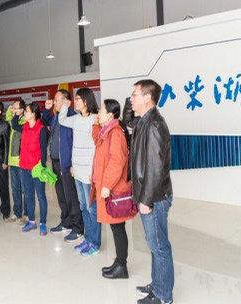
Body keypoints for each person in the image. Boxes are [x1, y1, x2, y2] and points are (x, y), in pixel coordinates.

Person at [129, 80, 174, 304]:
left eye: (135, 95)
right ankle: (158, 285)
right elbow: (128, 119)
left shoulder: (154, 125)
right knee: (154, 244)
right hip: (149, 195)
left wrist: (146, 200)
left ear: (147, 98)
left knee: (159, 246)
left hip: (154, 197)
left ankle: (164, 295)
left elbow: (155, 168)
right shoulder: (144, 121)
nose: (131, 98)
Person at [92, 99, 134, 278]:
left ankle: (122, 267)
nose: (98, 113)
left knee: (118, 229)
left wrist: (107, 185)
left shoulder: (115, 133)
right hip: (108, 186)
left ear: (110, 115)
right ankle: (118, 262)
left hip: (114, 188)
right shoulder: (106, 131)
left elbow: (117, 162)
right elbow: (97, 141)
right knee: (116, 228)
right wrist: (96, 124)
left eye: (101, 111)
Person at [58, 88, 101, 256]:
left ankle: (95, 243)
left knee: (91, 209)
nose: (75, 102)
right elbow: (62, 120)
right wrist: (64, 106)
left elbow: (97, 148)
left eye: (77, 99)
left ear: (86, 101)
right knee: (83, 206)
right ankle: (88, 239)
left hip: (89, 172)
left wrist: (93, 170)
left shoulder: (95, 119)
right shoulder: (75, 119)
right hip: (77, 170)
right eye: (74, 99)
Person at [43, 90, 84, 243]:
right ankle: (66, 221)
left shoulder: (72, 117)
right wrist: (47, 110)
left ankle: (78, 227)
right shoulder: (56, 117)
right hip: (55, 162)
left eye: (57, 99)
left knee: (71, 196)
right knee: (61, 195)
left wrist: (72, 163)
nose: (54, 102)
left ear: (66, 101)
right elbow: (46, 120)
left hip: (67, 164)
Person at [11, 103, 49, 235]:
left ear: (33, 114)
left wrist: (42, 167)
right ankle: (32, 221)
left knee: (41, 196)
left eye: (26, 111)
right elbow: (14, 125)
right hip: (24, 167)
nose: (25, 114)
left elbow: (43, 150)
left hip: (36, 168)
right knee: (28, 195)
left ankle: (43, 223)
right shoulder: (24, 127)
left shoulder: (41, 128)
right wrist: (16, 114)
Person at [5, 99, 27, 224]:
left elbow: (14, 124)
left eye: (16, 108)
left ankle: (27, 214)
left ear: (22, 110)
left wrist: (15, 115)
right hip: (12, 161)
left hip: (22, 161)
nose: (14, 110)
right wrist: (10, 109)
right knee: (15, 189)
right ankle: (17, 213)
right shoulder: (14, 119)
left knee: (25, 189)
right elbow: (8, 117)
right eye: (13, 108)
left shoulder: (24, 121)